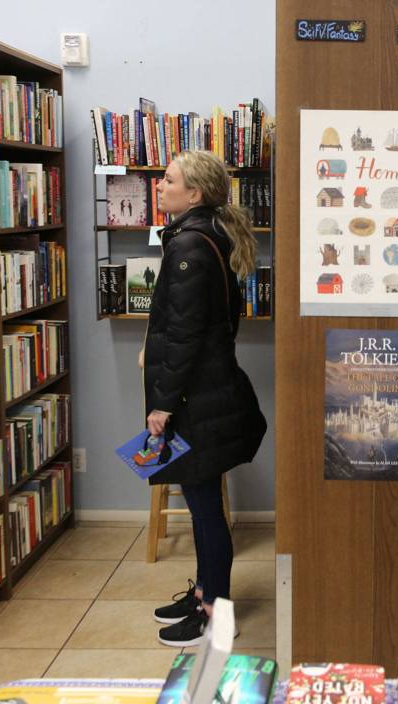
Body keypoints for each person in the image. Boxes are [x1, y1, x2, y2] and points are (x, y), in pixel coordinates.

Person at [139, 150, 267, 647]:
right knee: (202, 503)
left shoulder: (189, 244)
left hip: (195, 399)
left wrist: (163, 403)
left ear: (194, 194)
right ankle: (205, 594)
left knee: (204, 508)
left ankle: (215, 613)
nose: (159, 186)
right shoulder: (206, 235)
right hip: (206, 391)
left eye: (168, 180)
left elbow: (185, 333)